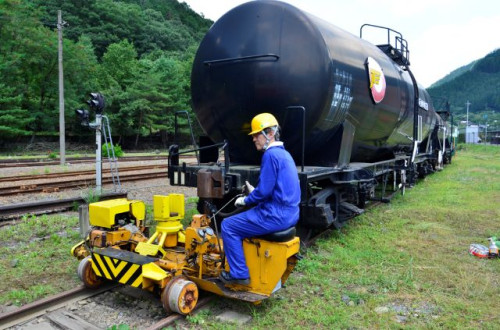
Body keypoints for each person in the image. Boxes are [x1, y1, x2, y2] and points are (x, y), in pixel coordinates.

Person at [219, 113, 301, 285]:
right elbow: (275, 188)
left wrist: (246, 200)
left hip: (275, 215)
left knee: (228, 226)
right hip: (290, 213)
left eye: (257, 135)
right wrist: (255, 192)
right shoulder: (285, 155)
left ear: (270, 133)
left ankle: (239, 274)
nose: (254, 139)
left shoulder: (270, 155)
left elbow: (263, 192)